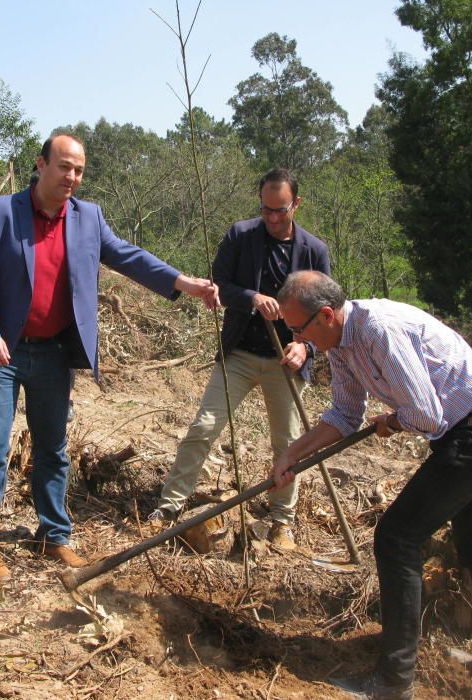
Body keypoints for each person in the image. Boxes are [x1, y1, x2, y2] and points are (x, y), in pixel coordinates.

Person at [0, 133, 219, 581]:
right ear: (41, 165)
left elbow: (127, 257)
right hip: (1, 350)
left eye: (79, 169)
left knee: (52, 447)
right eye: (64, 166)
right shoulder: (2, 212)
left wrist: (183, 282)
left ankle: (54, 535)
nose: (72, 177)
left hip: (55, 352)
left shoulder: (88, 217)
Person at [273, 271, 472, 699]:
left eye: (298, 329)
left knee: (397, 537)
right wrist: (293, 453)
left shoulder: (377, 331)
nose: (298, 338)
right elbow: (345, 415)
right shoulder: (340, 345)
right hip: (471, 429)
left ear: (327, 315)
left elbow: (425, 413)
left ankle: (393, 681)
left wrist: (391, 421)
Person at [149, 168, 330, 549]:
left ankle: (282, 521)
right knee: (203, 427)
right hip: (240, 355)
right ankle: (168, 508)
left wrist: (307, 347)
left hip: (286, 361)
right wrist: (251, 297)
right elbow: (218, 288)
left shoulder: (314, 251)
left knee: (288, 443)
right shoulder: (240, 235)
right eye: (267, 209)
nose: (273, 218)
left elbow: (327, 313)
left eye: (281, 210)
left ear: (296, 204)